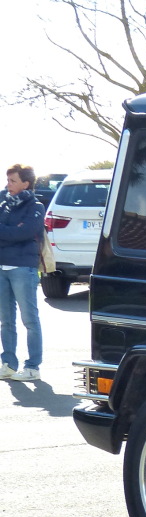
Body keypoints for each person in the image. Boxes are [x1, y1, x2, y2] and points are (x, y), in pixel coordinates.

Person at [0, 163, 44, 382]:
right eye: (7, 180)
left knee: (30, 320)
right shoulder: (3, 204)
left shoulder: (35, 206)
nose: (8, 184)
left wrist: (10, 233)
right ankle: (8, 364)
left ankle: (33, 367)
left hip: (23, 268)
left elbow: (26, 232)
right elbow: (15, 233)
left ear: (26, 183)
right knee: (6, 320)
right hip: (2, 267)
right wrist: (12, 232)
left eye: (12, 181)